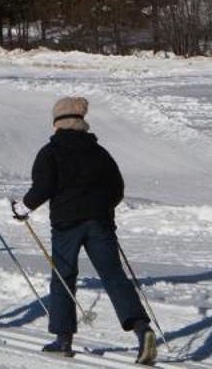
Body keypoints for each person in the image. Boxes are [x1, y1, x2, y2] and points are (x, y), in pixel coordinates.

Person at [15, 96, 158, 365]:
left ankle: (63, 339)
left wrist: (22, 208)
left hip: (67, 225)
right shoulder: (99, 152)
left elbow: (42, 188)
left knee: (63, 277)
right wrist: (103, 208)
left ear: (57, 122)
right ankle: (142, 329)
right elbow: (117, 188)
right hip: (100, 222)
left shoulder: (51, 151)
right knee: (114, 275)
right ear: (81, 122)